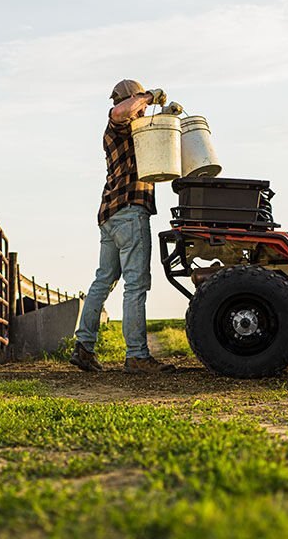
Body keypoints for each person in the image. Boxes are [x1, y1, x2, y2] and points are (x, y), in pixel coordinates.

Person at [69, 79, 180, 374]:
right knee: (136, 284)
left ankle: (84, 347)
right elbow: (120, 112)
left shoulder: (134, 131)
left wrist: (166, 111)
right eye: (138, 103)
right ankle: (137, 356)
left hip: (111, 214)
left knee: (103, 280)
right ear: (131, 99)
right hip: (130, 211)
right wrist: (149, 96)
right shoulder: (118, 123)